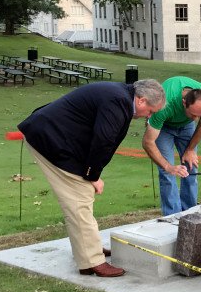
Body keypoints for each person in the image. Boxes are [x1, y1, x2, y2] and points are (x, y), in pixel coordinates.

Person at [17, 80, 165, 277]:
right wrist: (92, 175)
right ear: (141, 100)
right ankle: (91, 261)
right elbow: (103, 140)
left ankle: (88, 248)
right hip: (50, 139)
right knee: (79, 198)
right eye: (151, 111)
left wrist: (91, 174)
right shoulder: (118, 101)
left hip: (57, 137)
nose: (149, 116)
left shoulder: (119, 95)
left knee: (82, 198)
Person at [142, 76, 201, 216]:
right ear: (184, 103)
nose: (196, 118)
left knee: (191, 166)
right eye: (193, 114)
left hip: (186, 126)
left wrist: (190, 150)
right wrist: (168, 166)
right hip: (164, 127)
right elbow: (148, 142)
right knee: (167, 171)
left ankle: (189, 213)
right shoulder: (165, 104)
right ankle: (173, 216)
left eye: (199, 115)